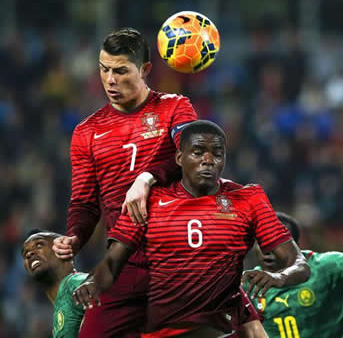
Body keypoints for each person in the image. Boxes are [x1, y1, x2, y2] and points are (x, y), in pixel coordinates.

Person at [72, 120, 311, 338]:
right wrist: (93, 283)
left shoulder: (249, 198)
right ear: (179, 158)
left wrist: (278, 277)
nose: (208, 160)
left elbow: (298, 264)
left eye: (217, 154)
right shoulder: (150, 202)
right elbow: (114, 262)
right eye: (198, 152)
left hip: (219, 324)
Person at [52, 27, 198, 338]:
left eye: (120, 71)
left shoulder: (175, 108)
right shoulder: (87, 132)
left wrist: (147, 177)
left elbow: (192, 154)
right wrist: (75, 238)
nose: (110, 80)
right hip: (124, 262)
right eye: (104, 69)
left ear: (145, 70)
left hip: (177, 257)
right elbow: (84, 202)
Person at [22, 229, 88, 338]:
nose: (29, 254)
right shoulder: (59, 307)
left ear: (63, 249)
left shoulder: (77, 283)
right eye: (25, 254)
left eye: (39, 245)